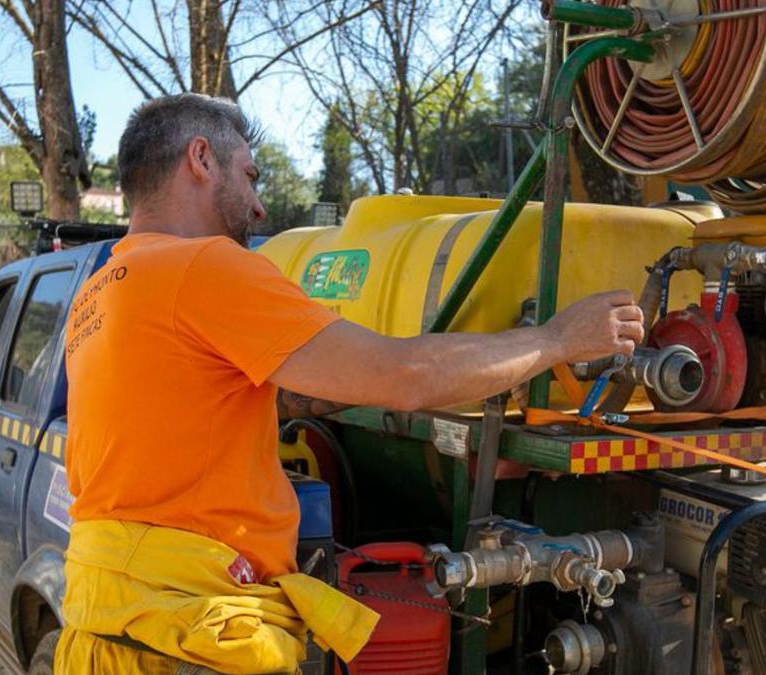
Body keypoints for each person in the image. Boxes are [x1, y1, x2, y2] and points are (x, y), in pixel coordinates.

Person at [57, 93, 645, 673]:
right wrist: (557, 340)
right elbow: (403, 376)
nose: (260, 208)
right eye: (251, 175)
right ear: (202, 158)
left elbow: (222, 403)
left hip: (106, 621)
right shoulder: (203, 266)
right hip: (186, 629)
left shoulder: (104, 288)